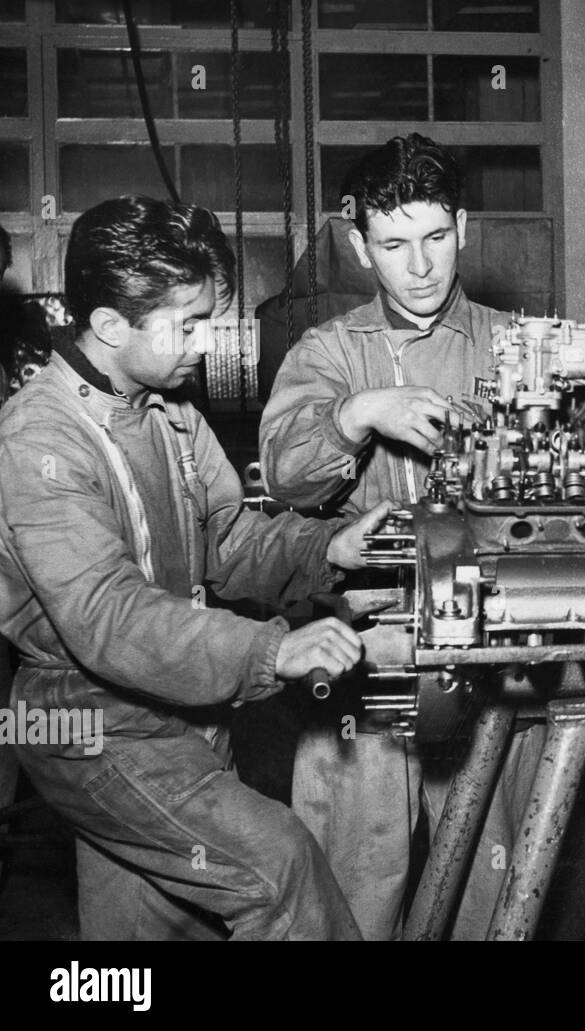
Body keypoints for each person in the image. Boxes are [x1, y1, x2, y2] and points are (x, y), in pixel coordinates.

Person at [0, 194, 389, 939]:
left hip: (178, 710)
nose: (207, 343)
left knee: (146, 938)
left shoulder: (168, 410)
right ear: (111, 325)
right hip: (87, 723)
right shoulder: (38, 439)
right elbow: (110, 617)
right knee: (280, 871)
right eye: (189, 323)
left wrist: (326, 549)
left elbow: (233, 541)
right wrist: (272, 648)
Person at [259, 134, 542, 940]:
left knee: (499, 872)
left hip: (495, 645)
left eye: (435, 237)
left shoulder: (519, 347)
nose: (419, 266)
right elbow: (283, 475)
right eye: (393, 244)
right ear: (359, 248)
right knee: (349, 882)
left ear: (464, 227)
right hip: (364, 651)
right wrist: (358, 413)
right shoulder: (330, 351)